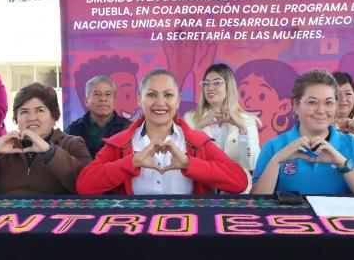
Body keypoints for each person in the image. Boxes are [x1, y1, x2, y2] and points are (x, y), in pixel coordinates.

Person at [76, 69, 248, 195]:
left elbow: (240, 181)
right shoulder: (119, 143)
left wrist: (188, 164)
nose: (160, 102)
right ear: (139, 99)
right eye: (151, 95)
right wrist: (133, 162)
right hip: (134, 230)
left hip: (190, 229)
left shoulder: (198, 142)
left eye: (168, 95)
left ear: (178, 100)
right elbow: (85, 185)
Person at [251, 70, 354, 195]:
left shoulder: (353, 145)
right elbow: (254, 202)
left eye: (328, 103)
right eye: (312, 102)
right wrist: (276, 162)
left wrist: (342, 163)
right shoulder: (272, 147)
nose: (321, 110)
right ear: (296, 105)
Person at [0, 83, 91, 195]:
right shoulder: (4, 146)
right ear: (16, 118)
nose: (31, 118)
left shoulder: (72, 143)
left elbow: (87, 186)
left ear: (54, 116)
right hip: (8, 217)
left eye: (40, 110)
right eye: (24, 112)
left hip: (56, 217)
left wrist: (50, 153)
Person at [184, 63, 259, 191]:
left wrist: (242, 130)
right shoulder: (190, 119)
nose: (210, 88)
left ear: (229, 86)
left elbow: (250, 164)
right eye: (206, 83)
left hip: (236, 189)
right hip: (202, 189)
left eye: (217, 82)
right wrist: (199, 127)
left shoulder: (247, 120)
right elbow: (184, 159)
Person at [65, 75, 131, 159]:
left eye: (108, 94)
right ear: (86, 101)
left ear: (114, 100)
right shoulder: (72, 130)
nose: (103, 99)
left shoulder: (129, 129)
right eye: (97, 94)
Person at [234, 59, 299, 145]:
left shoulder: (289, 144)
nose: (247, 102)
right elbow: (243, 151)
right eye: (242, 94)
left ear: (284, 106)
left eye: (261, 96)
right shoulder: (231, 138)